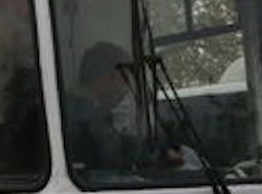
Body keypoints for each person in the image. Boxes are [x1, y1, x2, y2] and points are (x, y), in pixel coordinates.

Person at [66, 41, 188, 177]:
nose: (124, 88)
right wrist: (157, 156)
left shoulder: (88, 108)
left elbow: (121, 142)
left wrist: (160, 150)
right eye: (124, 78)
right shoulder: (79, 113)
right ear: (109, 77)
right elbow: (112, 151)